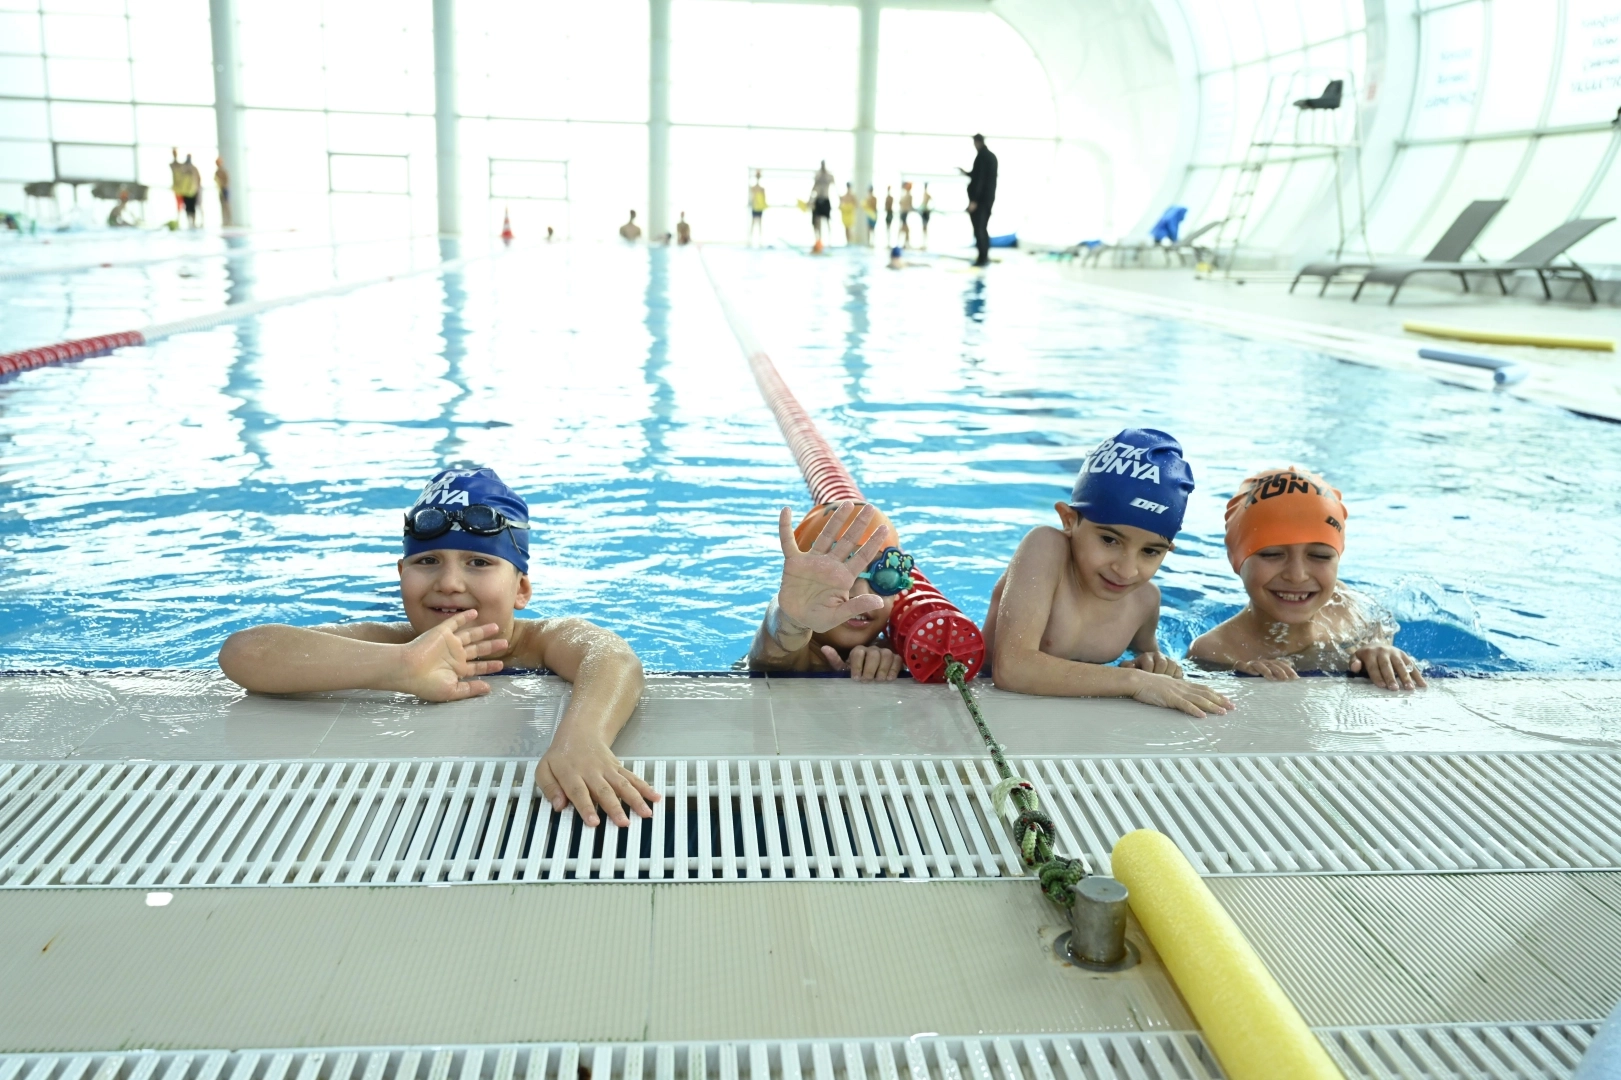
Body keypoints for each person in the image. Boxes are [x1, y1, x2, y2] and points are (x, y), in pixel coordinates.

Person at [219, 466, 659, 828]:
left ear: (521, 589)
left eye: (479, 562)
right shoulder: (396, 643)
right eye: (427, 561)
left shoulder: (539, 642)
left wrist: (581, 739)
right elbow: (245, 651)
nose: (449, 583)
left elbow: (612, 657)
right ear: (401, 575)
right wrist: (399, 664)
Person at [983, 429, 1235, 717]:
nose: (1126, 570)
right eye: (1109, 540)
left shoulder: (1145, 600)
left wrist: (1153, 666)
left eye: (1150, 551)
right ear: (1069, 520)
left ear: (1168, 550)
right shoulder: (1045, 548)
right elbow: (1012, 668)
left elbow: (1150, 663)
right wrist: (1133, 681)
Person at [1188, 468, 1426, 690]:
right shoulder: (1215, 651)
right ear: (1237, 560)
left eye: (1320, 556)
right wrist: (1238, 677)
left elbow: (1379, 634)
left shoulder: (1343, 606)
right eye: (1272, 554)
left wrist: (1379, 650)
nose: (1297, 575)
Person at [748, 501, 911, 681]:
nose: (861, 593)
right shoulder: (795, 656)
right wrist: (792, 621)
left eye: (885, 577)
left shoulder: (893, 651)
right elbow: (774, 647)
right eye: (836, 576)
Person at [958, 134, 997, 266]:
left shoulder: (982, 157)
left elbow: (979, 180)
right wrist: (965, 172)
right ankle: (984, 256)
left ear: (977, 142)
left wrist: (974, 201)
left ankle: (982, 258)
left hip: (980, 201)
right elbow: (979, 175)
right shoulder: (991, 157)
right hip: (988, 200)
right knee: (983, 228)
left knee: (979, 228)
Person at [810, 160, 834, 246]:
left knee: (827, 221)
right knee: (817, 221)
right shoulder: (818, 175)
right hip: (818, 199)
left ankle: (829, 241)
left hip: (826, 199)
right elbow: (814, 187)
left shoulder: (829, 176)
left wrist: (839, 198)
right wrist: (810, 200)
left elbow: (835, 186)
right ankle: (819, 240)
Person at [178, 153, 202, 228]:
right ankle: (189, 222)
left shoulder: (194, 168)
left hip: (193, 191)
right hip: (185, 191)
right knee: (187, 207)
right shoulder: (183, 168)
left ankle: (193, 222)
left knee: (192, 207)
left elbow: (198, 179)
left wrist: (197, 188)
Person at [748, 170, 767, 246]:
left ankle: (759, 241)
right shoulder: (754, 188)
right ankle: (750, 241)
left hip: (759, 208)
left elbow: (764, 199)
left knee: (759, 225)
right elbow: (751, 198)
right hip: (755, 207)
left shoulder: (761, 189)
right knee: (754, 224)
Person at [168, 148, 185, 226]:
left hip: (182, 188)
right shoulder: (173, 165)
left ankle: (181, 220)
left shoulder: (180, 166)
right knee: (178, 205)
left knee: (183, 205)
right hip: (177, 188)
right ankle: (179, 220)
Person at [214, 157, 231, 227]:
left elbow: (227, 180)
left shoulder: (223, 171)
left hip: (225, 189)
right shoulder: (217, 171)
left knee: (226, 205)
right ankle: (224, 221)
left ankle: (229, 221)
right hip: (220, 190)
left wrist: (224, 186)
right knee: (222, 205)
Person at [897, 181, 913, 247]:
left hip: (904, 213)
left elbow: (909, 205)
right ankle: (903, 242)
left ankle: (904, 242)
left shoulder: (908, 195)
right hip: (903, 213)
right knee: (904, 228)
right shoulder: (905, 195)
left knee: (904, 228)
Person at [919, 183, 933, 248]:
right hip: (924, 211)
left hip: (925, 211)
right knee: (924, 227)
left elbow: (932, 202)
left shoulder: (926, 195)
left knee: (925, 227)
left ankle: (925, 243)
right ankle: (924, 243)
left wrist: (929, 209)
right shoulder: (925, 194)